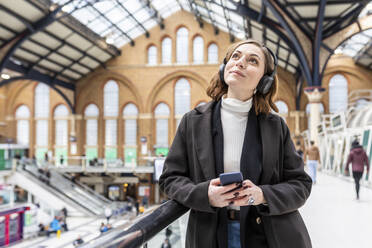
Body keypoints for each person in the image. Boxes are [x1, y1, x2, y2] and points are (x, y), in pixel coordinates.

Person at [159, 39, 312, 248]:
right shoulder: (193, 122)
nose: (240, 63)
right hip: (210, 235)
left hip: (267, 236)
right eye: (236, 56)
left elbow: (300, 184)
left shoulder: (275, 126)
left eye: (252, 61)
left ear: (264, 81)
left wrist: (263, 195)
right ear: (225, 67)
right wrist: (205, 195)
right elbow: (170, 179)